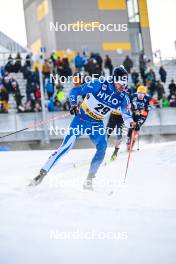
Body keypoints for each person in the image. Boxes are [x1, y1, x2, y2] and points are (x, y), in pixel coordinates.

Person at [30, 66, 135, 190]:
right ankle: (42, 173)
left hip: (97, 122)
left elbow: (126, 117)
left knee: (102, 147)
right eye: (120, 84)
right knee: (66, 146)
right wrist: (74, 104)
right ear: (114, 80)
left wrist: (132, 123)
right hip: (82, 118)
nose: (123, 87)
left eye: (125, 83)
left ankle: (89, 180)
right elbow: (75, 91)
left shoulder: (124, 97)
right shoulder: (99, 84)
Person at [126, 85, 152, 150]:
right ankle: (129, 138)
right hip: (135, 113)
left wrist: (141, 112)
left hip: (143, 115)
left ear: (144, 94)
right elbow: (129, 103)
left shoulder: (148, 98)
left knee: (137, 126)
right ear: (137, 93)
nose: (140, 95)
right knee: (131, 125)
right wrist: (134, 110)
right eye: (139, 93)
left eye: (142, 94)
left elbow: (148, 109)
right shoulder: (133, 96)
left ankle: (133, 141)